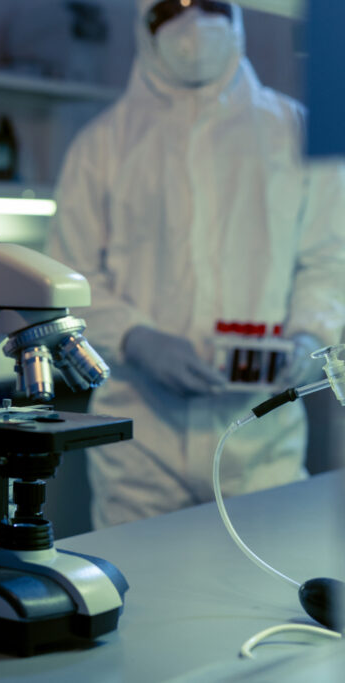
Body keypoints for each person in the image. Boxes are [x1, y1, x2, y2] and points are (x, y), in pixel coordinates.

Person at [46, 0, 345, 529]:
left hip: (262, 436)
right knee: (144, 596)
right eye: (173, 8)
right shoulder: (101, 145)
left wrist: (307, 337)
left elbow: (329, 258)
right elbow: (67, 277)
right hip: (139, 441)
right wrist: (137, 338)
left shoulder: (295, 130)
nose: (194, 23)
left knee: (261, 594)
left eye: (211, 5)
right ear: (145, 27)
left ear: (237, 16)